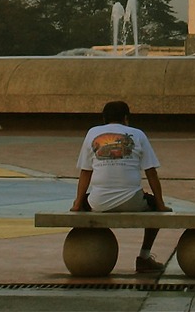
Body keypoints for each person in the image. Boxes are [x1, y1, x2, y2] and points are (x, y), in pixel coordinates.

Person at [72, 99, 173, 274]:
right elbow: (151, 173)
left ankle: (87, 255)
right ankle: (144, 257)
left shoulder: (92, 133)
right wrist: (161, 203)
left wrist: (77, 203)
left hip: (99, 202)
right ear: (126, 118)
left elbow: (85, 172)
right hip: (132, 200)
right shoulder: (138, 134)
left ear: (103, 118)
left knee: (85, 201)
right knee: (154, 205)